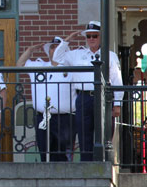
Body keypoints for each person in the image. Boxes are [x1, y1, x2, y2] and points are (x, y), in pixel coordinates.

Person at [52, 21, 123, 162]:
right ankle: (87, 164)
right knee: (84, 134)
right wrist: (67, 40)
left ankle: (104, 163)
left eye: (95, 36)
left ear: (101, 37)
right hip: (83, 97)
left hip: (103, 96)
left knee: (105, 133)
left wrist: (117, 103)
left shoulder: (110, 55)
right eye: (88, 36)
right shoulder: (76, 54)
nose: (91, 39)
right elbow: (57, 58)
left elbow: (117, 80)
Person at [16, 36, 75, 162]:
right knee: (44, 152)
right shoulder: (39, 65)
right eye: (52, 47)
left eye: (58, 47)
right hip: (42, 117)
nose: (54, 50)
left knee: (63, 154)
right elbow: (19, 65)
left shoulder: (71, 68)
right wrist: (29, 50)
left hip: (64, 118)